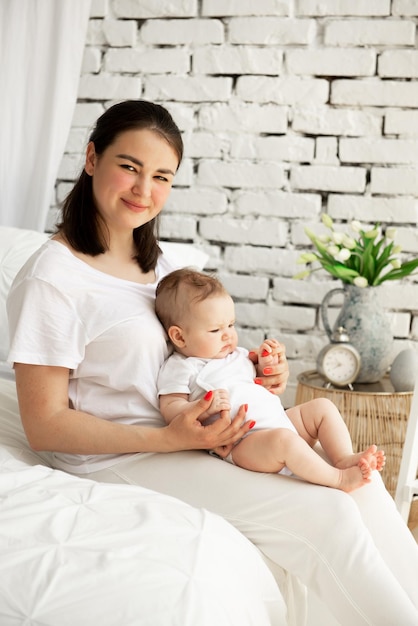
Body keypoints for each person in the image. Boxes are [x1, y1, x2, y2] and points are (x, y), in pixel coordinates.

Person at [7, 99, 418, 626]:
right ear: (92, 158)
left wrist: (259, 373)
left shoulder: (169, 268)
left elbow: (199, 355)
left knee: (361, 488)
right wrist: (168, 439)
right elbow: (44, 424)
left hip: (203, 436)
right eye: (129, 167)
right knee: (328, 512)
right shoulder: (53, 277)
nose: (143, 190)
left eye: (162, 176)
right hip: (125, 455)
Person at [155, 268, 385, 493]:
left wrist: (267, 363)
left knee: (321, 408)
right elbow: (171, 409)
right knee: (284, 441)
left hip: (279, 419)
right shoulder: (181, 366)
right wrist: (202, 409)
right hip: (244, 442)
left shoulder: (238, 355)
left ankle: (342, 457)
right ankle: (339, 478)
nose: (228, 335)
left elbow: (262, 380)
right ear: (179, 336)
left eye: (231, 325)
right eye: (215, 330)